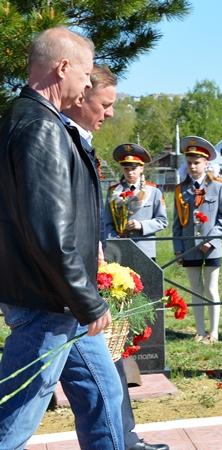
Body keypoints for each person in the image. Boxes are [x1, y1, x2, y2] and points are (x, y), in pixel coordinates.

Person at [0, 27, 125, 449]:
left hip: (55, 299)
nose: (89, 84)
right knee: (14, 418)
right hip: (47, 302)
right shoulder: (41, 126)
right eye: (86, 74)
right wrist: (86, 298)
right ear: (63, 67)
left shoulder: (33, 119)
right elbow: (50, 231)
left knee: (103, 395)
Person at [62, 66, 168, 450]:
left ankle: (126, 438)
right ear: (81, 94)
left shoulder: (80, 140)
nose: (109, 113)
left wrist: (98, 252)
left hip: (93, 274)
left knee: (108, 376)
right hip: (63, 290)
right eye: (105, 104)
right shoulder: (57, 136)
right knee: (29, 397)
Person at [173, 136, 222, 344]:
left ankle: (214, 332)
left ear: (206, 163)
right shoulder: (181, 189)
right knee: (195, 289)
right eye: (189, 162)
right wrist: (178, 249)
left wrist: (212, 240)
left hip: (212, 247)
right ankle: (199, 331)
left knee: (211, 288)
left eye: (197, 162)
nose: (192, 166)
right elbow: (177, 223)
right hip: (190, 247)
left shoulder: (218, 186)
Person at [104, 143, 168, 259]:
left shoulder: (153, 191)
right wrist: (115, 240)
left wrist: (141, 225)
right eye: (126, 168)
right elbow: (107, 222)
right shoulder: (113, 192)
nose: (130, 172)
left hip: (145, 250)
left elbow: (162, 221)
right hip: (120, 251)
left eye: (134, 168)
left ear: (141, 168)